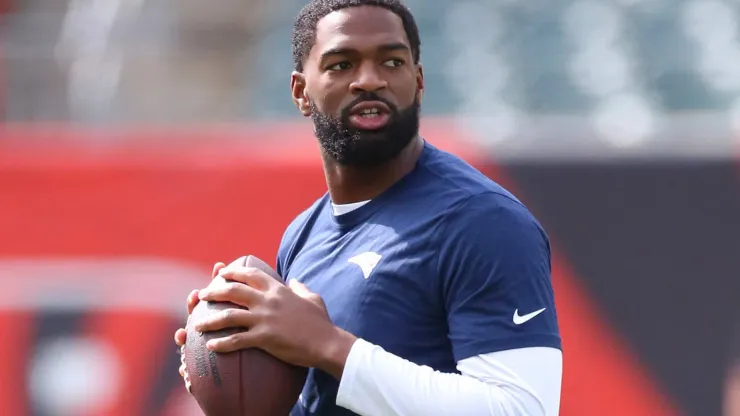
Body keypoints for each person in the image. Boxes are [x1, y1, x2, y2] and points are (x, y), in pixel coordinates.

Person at [173, 0, 563, 414]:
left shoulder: (482, 221)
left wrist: (328, 344)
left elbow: (522, 409)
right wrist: (226, 369)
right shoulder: (303, 234)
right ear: (301, 92)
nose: (370, 80)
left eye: (391, 62)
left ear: (418, 80)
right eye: (342, 64)